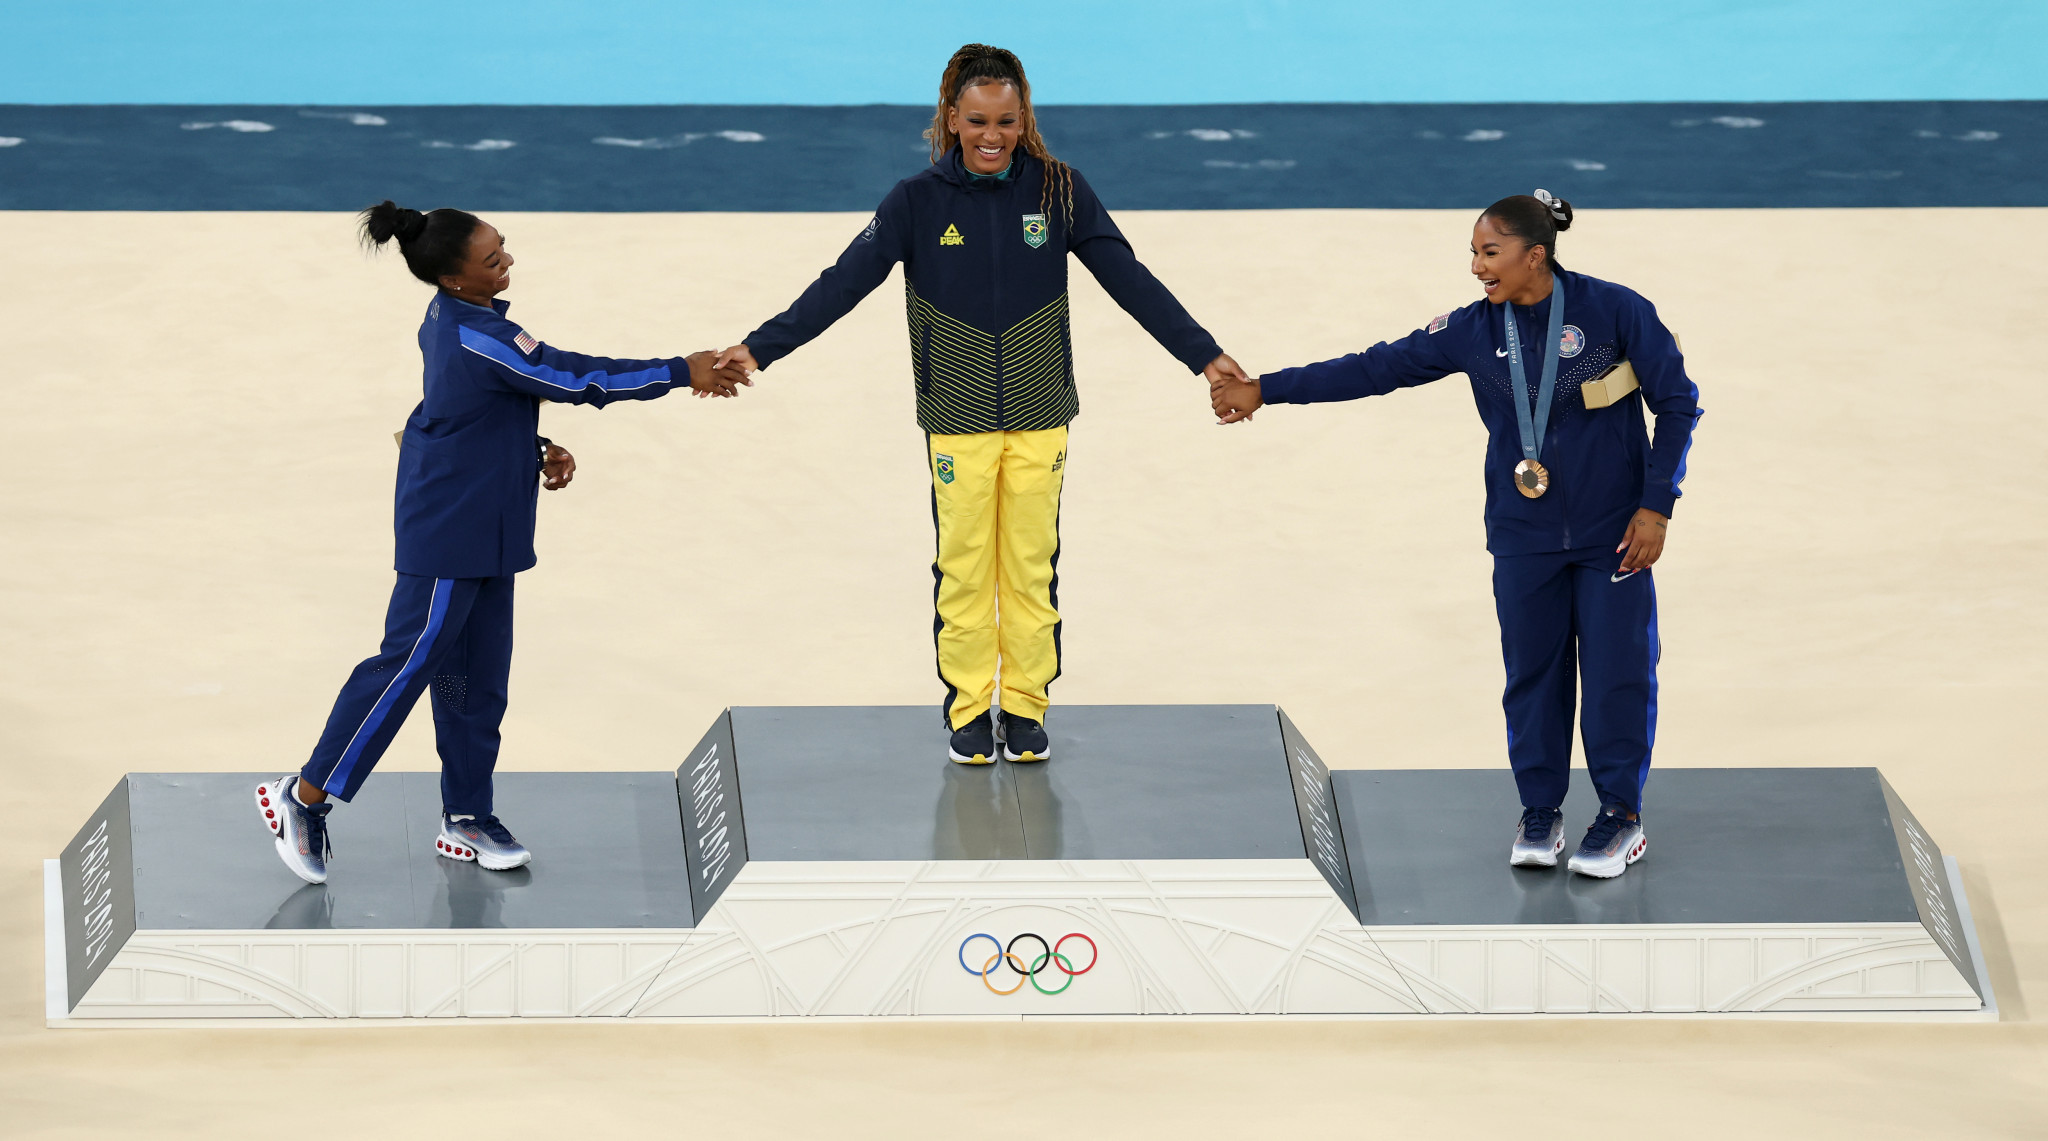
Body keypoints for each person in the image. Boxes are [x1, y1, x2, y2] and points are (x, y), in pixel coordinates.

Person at [713, 44, 1250, 765]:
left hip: (1040, 412)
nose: (991, 135)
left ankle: (1025, 708)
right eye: (975, 121)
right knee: (964, 567)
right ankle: (970, 709)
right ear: (950, 118)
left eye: (1004, 119)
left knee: (1030, 566)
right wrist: (761, 346)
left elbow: (1130, 278)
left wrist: (1202, 353)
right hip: (957, 420)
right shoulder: (915, 201)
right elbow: (841, 283)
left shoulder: (1060, 190)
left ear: (1023, 116)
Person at [1209, 191, 1702, 879]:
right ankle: (1541, 810)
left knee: (1619, 675)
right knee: (1533, 675)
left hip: (1613, 533)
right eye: (1473, 253)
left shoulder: (1615, 310)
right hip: (1522, 533)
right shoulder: (1473, 330)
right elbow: (1375, 368)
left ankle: (1620, 814)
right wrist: (1268, 388)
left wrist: (1656, 505)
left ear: (1535, 256)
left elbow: (1678, 401)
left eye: (1488, 253)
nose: (1475, 267)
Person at [256, 201, 746, 885]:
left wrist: (533, 446)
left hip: (492, 530)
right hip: (449, 531)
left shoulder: (469, 324)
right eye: (492, 259)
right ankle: (304, 796)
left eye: (503, 247)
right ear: (456, 280)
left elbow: (458, 411)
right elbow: (575, 377)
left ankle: (466, 816)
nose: (508, 261)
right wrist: (678, 369)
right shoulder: (475, 333)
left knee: (474, 683)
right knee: (406, 665)